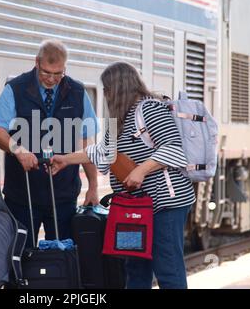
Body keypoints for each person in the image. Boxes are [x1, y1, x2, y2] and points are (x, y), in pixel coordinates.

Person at [50, 62, 196, 289]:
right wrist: (65, 160)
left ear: (118, 88)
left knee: (168, 268)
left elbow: (174, 147)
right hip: (133, 208)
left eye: (107, 89)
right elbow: (101, 152)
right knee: (135, 268)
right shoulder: (116, 119)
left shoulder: (150, 109)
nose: (106, 95)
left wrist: (141, 169)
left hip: (165, 205)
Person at [0, 39, 99, 247]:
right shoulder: (15, 89)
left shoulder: (77, 92)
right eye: (46, 72)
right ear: (37, 63)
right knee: (20, 256)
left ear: (64, 68)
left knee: (63, 258)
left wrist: (93, 186)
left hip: (64, 194)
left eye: (58, 74)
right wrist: (18, 150)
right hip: (22, 193)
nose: (51, 79)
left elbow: (88, 142)